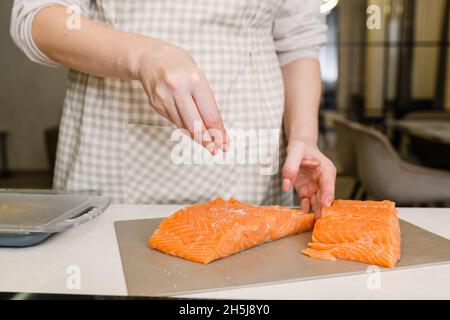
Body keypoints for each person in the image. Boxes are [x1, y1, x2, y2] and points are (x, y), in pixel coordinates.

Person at [10, 0, 336, 213]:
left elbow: (298, 43)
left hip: (253, 167)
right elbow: (39, 17)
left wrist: (304, 137)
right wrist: (143, 56)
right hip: (116, 158)